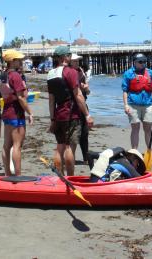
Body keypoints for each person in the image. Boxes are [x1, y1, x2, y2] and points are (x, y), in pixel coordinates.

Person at [47, 46, 93, 176]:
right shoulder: (70, 72)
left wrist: (52, 119)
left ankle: (60, 176)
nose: (70, 57)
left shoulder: (51, 74)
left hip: (58, 114)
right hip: (71, 114)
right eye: (69, 55)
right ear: (64, 57)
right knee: (69, 148)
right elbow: (78, 95)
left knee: (60, 146)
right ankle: (71, 177)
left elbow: (51, 100)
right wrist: (87, 115)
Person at [0, 49, 34, 176]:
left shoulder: (4, 75)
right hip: (16, 114)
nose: (21, 61)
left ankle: (7, 173)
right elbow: (21, 97)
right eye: (19, 60)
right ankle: (18, 175)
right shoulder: (15, 76)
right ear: (12, 61)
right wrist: (30, 112)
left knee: (6, 145)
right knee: (17, 146)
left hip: (7, 112)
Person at [122, 53, 152, 149]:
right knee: (135, 128)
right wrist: (125, 105)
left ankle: (149, 152)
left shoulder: (150, 73)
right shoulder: (128, 74)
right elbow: (125, 91)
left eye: (144, 62)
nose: (143, 64)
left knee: (148, 129)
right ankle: (134, 152)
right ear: (135, 62)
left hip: (148, 105)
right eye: (140, 62)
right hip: (133, 105)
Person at [69, 53, 90, 164]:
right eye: (74, 61)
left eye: (78, 61)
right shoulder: (67, 73)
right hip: (73, 106)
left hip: (83, 104)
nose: (77, 62)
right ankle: (70, 157)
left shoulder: (81, 71)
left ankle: (86, 158)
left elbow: (88, 91)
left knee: (85, 132)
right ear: (70, 62)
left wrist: (86, 89)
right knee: (74, 134)